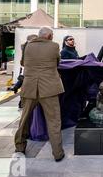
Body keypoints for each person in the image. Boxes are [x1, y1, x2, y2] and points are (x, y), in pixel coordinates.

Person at [14, 27, 65, 162]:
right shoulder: (54, 46)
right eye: (52, 35)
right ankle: (58, 153)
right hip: (49, 88)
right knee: (54, 121)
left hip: (30, 86)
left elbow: (23, 63)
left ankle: (20, 147)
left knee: (24, 119)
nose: (53, 37)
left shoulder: (27, 46)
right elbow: (57, 62)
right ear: (48, 36)